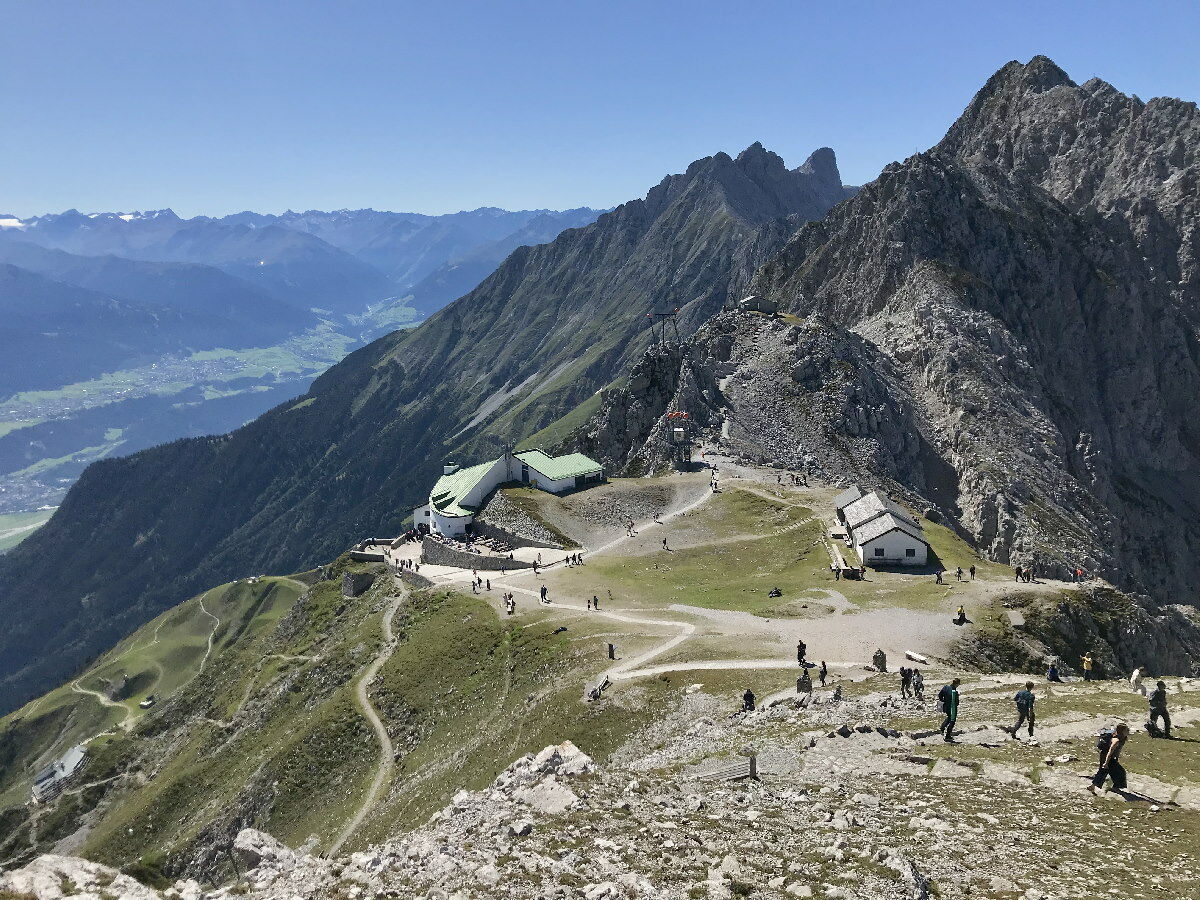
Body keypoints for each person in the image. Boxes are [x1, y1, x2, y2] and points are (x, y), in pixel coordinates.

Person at [1089, 724, 1130, 794]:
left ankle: (1092, 786)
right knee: (1121, 772)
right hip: (1108, 757)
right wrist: (1106, 762)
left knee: (1103, 771)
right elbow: (1110, 752)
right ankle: (1115, 787)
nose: (1128, 731)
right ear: (1122, 731)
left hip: (1108, 757)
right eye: (1126, 730)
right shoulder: (1116, 740)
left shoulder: (1121, 737)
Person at [938, 678, 961, 742]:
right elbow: (956, 702)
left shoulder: (945, 687)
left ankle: (942, 728)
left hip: (946, 706)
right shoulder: (954, 692)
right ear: (956, 684)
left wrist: (944, 701)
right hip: (952, 708)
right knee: (952, 721)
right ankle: (948, 735)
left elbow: (940, 695)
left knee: (949, 717)